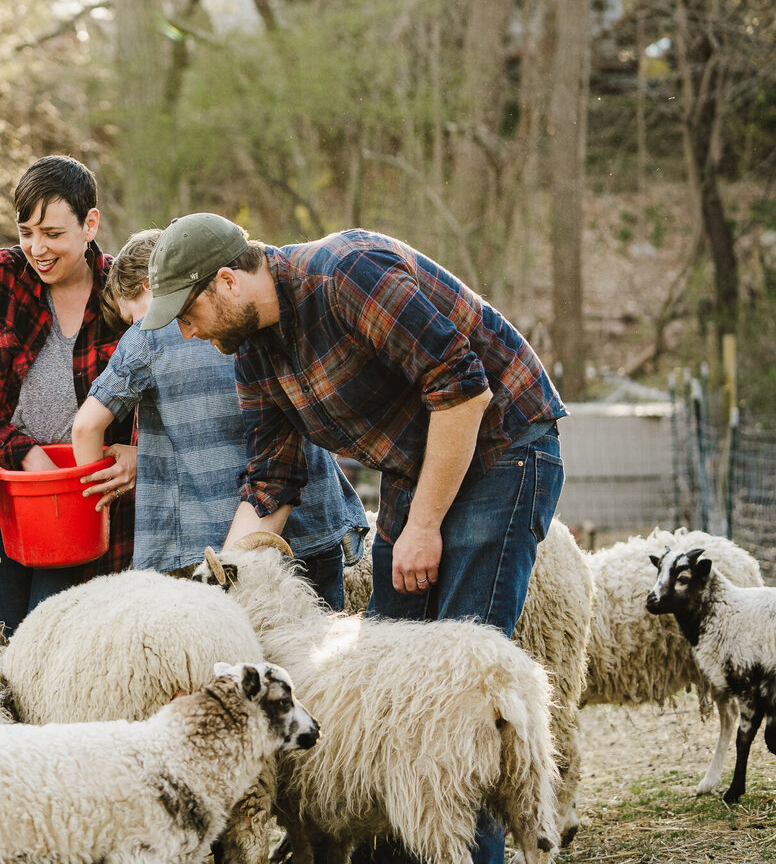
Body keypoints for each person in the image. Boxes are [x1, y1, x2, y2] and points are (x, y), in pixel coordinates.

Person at [142, 213, 567, 864]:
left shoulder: (344, 274)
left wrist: (423, 524)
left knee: (457, 679)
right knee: (385, 678)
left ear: (226, 280)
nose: (186, 331)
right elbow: (269, 484)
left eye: (188, 312)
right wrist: (217, 594)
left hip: (503, 445)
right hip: (414, 467)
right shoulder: (256, 352)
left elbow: (463, 387)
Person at [70, 228, 366, 607]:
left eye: (131, 317)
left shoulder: (149, 335)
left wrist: (97, 515)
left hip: (208, 539)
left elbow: (86, 426)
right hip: (310, 526)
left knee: (227, 655)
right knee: (316, 653)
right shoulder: (252, 316)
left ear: (149, 285)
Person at [0, 154, 133, 633]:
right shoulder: (1, 277)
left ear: (90, 224)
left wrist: (139, 454)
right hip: (3, 501)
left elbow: (162, 395)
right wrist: (21, 452)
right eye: (26, 232)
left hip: (85, 504)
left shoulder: (121, 292)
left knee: (51, 632)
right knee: (2, 637)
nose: (37, 248)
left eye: (53, 234)